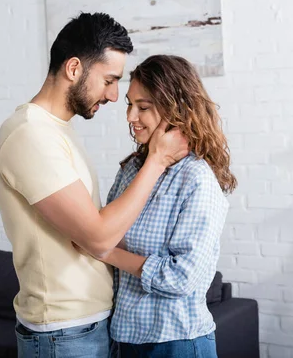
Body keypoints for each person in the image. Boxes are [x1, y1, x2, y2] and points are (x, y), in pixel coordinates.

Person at [0, 13, 189, 357]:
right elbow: (97, 238)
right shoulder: (30, 135)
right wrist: (156, 161)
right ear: (74, 68)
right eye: (109, 80)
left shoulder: (55, 131)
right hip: (64, 335)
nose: (114, 96)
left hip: (85, 328)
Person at [91, 55, 237, 357]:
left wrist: (106, 252)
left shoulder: (197, 178)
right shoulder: (132, 170)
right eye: (129, 105)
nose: (131, 116)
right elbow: (104, 230)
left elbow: (180, 277)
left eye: (143, 107)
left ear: (177, 109)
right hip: (125, 338)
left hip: (178, 342)